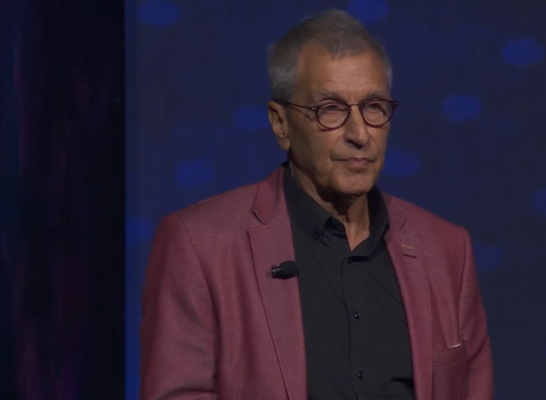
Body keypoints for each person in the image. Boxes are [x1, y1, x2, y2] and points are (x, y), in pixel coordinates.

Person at [140, 9, 493, 400]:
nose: (360, 134)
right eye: (331, 110)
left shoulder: (445, 249)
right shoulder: (200, 244)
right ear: (281, 124)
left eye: (373, 107)